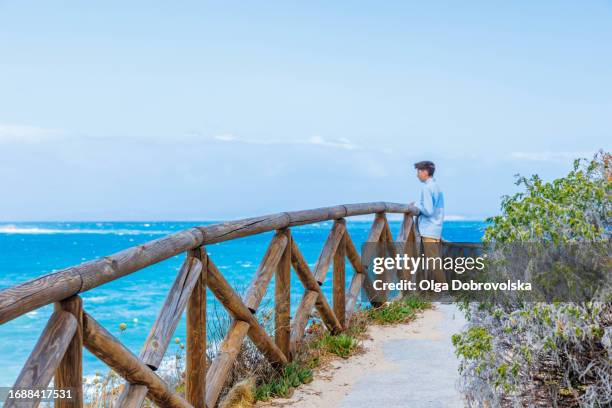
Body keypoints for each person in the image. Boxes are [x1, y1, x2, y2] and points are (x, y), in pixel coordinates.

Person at [411, 161, 446, 284]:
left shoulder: (426, 188)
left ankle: (445, 290)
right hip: (436, 227)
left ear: (425, 172)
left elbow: (428, 210)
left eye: (419, 171)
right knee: (434, 260)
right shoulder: (436, 186)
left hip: (428, 229)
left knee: (433, 261)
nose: (417, 174)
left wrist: (415, 205)